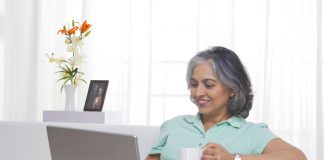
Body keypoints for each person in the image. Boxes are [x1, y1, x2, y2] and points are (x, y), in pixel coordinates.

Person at [146, 46, 307, 160]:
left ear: (232, 89)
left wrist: (233, 158)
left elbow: (298, 158)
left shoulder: (252, 132)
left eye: (209, 85)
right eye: (194, 84)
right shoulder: (174, 125)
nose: (199, 92)